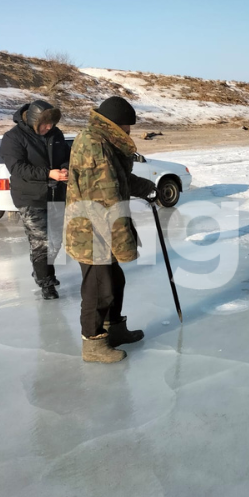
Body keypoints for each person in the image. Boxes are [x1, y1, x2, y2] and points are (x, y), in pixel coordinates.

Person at [64, 96, 157, 363]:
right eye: (127, 128)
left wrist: (148, 188)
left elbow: (120, 179)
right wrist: (123, 243)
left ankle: (114, 330)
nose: (129, 133)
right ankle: (92, 344)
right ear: (115, 125)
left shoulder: (104, 142)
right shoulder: (95, 145)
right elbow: (107, 199)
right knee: (98, 289)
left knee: (115, 281)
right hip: (92, 231)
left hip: (102, 228)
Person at [0, 100, 70, 300]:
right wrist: (49, 173)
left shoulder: (56, 135)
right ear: (33, 120)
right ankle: (46, 283)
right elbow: (18, 168)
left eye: (52, 124)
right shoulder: (13, 138)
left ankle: (41, 271)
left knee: (55, 241)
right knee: (42, 241)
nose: (49, 128)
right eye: (45, 124)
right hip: (29, 197)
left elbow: (66, 155)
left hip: (55, 194)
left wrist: (64, 168)